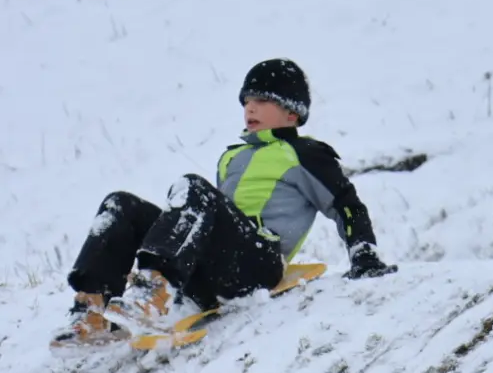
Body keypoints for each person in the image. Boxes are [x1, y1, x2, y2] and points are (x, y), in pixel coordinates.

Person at [54, 59, 396, 345]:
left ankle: (154, 291)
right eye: (246, 101)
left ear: (292, 113)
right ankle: (92, 311)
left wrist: (363, 253)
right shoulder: (232, 157)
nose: (250, 108)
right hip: (212, 266)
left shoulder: (306, 154)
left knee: (192, 187)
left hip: (258, 264)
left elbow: (347, 205)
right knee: (120, 205)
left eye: (262, 100)